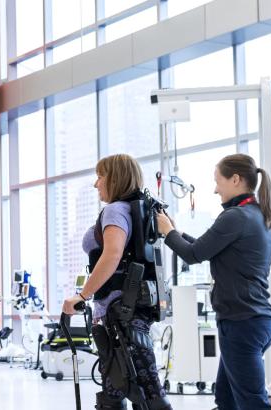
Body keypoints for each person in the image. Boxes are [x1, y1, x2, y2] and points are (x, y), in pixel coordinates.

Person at [156, 153, 271, 410]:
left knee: (253, 403)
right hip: (256, 320)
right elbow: (204, 246)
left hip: (241, 324)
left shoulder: (236, 216)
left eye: (217, 181)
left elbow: (193, 254)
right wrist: (173, 231)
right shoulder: (256, 215)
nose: (214, 189)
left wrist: (168, 233)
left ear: (235, 179)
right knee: (226, 398)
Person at [62, 154, 171, 410]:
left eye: (100, 176)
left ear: (115, 178)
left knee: (148, 392)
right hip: (125, 312)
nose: (95, 183)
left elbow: (112, 255)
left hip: (122, 313)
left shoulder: (115, 210)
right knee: (115, 389)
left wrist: (83, 295)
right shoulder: (140, 210)